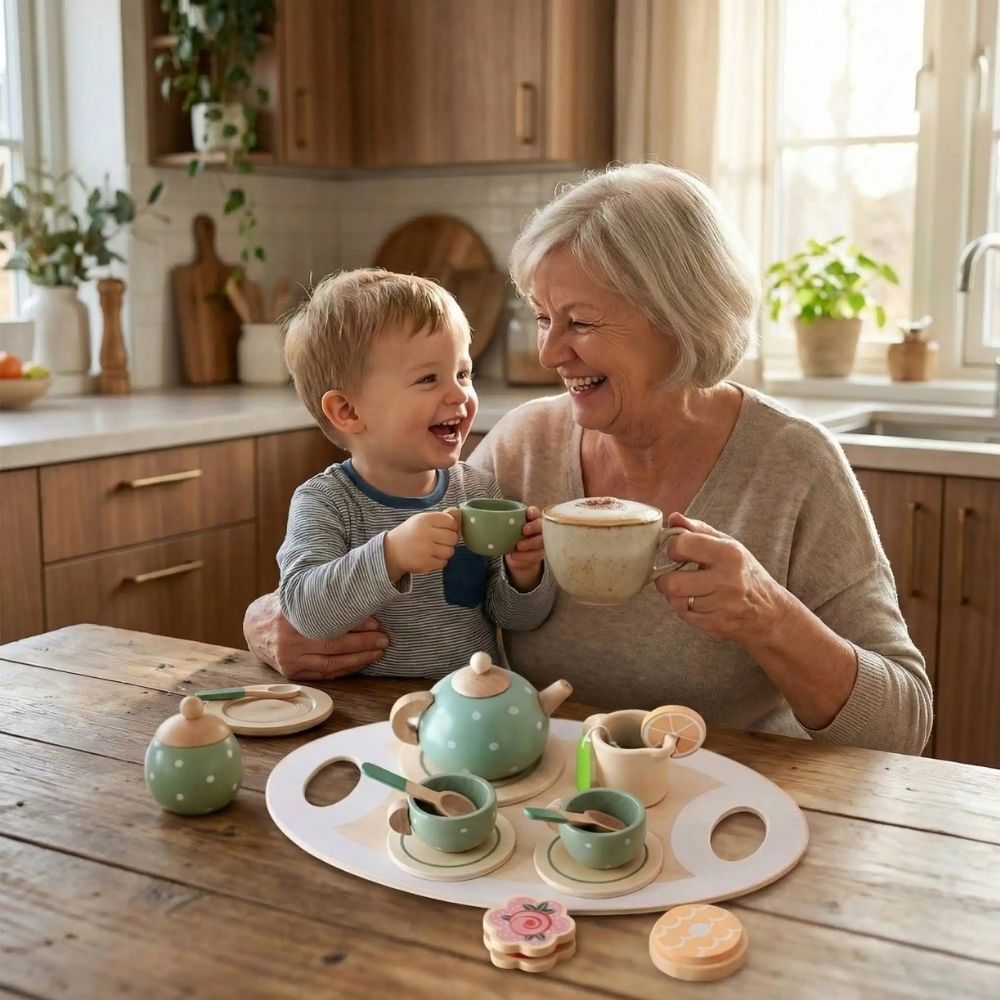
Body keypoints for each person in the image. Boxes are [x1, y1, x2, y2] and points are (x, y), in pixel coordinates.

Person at [244, 163, 932, 755]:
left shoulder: (792, 464)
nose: (549, 354)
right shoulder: (524, 447)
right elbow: (365, 555)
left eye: (579, 322)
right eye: (544, 319)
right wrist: (269, 622)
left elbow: (902, 725)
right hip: (538, 796)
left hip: (727, 811)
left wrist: (767, 614)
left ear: (679, 317)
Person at [275, 268, 555, 680]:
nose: (460, 393)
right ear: (348, 411)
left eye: (463, 373)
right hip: (365, 716)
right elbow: (305, 611)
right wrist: (391, 555)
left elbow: (516, 620)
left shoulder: (477, 490)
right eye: (429, 378)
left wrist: (524, 575)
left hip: (467, 711)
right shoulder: (325, 502)